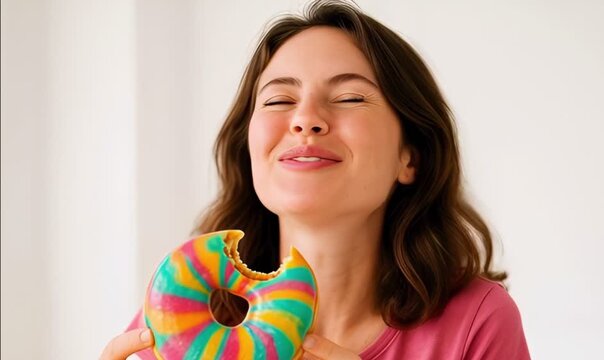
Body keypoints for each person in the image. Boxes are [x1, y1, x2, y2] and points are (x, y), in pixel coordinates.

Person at [101, 1, 531, 359]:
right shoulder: (180, 323)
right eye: (280, 99)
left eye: (349, 98)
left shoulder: (476, 321)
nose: (306, 119)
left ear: (410, 156)